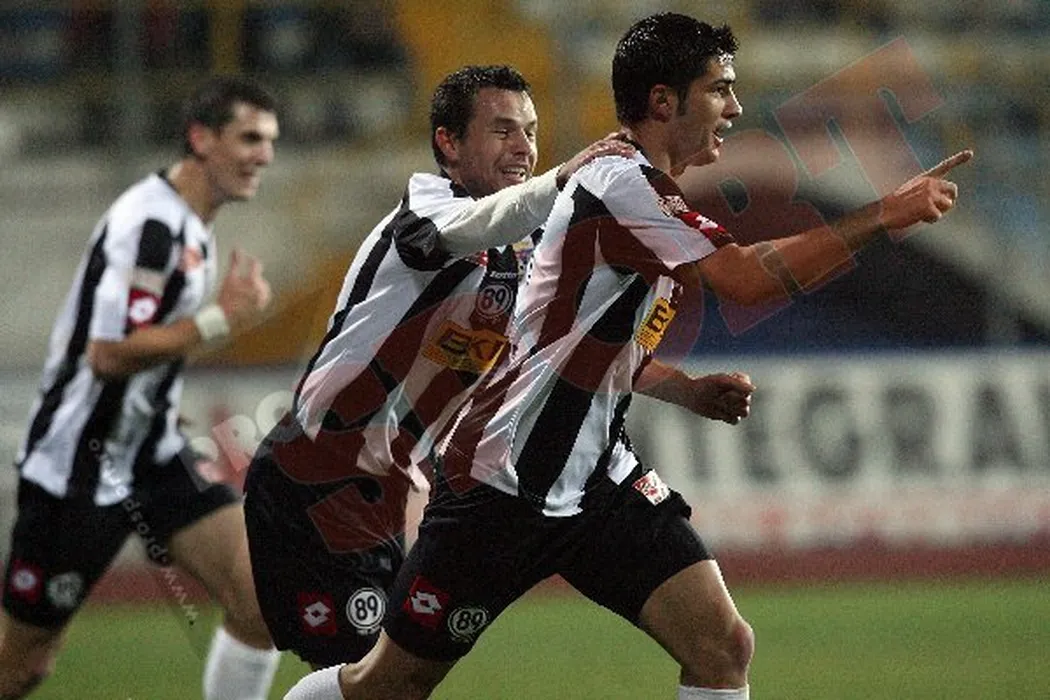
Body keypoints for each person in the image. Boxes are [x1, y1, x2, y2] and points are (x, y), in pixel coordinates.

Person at [283, 12, 973, 700]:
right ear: (664, 102)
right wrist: (884, 215)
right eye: (719, 89)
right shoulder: (622, 183)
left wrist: (686, 389)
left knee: (722, 645)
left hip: (597, 481)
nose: (734, 107)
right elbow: (747, 278)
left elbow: (591, 346)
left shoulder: (642, 190)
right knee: (388, 686)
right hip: (502, 482)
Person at [241, 64, 753, 674]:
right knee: (366, 677)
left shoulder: (527, 246)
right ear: (448, 143)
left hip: (389, 485)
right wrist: (561, 179)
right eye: (503, 130)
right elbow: (464, 230)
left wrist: (685, 391)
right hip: (316, 474)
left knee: (377, 681)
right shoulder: (428, 207)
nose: (523, 148)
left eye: (530, 132)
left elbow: (561, 354)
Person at [0, 76, 281, 699]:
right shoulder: (152, 226)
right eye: (249, 138)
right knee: (21, 668)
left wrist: (158, 408)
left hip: (150, 457)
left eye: (270, 141)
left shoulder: (190, 225)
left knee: (260, 598)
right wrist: (221, 320)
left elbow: (143, 348)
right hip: (79, 468)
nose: (264, 155)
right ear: (201, 138)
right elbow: (106, 356)